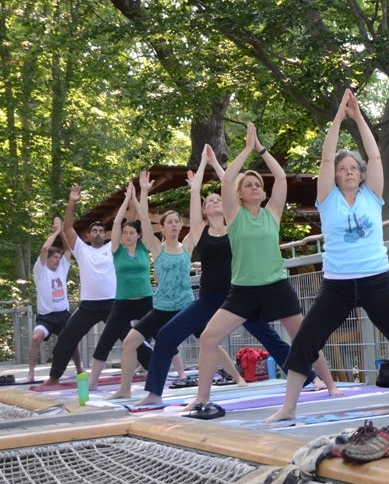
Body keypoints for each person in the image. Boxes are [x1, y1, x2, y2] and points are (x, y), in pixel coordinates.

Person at [264, 89, 389, 424]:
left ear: (362, 174)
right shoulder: (328, 199)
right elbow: (325, 158)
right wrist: (338, 117)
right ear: (335, 175)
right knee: (307, 339)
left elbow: (376, 156)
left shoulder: (372, 196)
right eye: (343, 168)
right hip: (337, 286)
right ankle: (289, 406)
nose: (349, 171)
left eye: (354, 168)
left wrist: (359, 118)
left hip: (376, 281)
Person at [183, 123, 339, 419]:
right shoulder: (234, 214)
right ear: (240, 194)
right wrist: (245, 149)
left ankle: (330, 385)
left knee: (306, 336)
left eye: (257, 184)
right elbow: (227, 180)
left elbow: (280, 176)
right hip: (242, 290)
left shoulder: (272, 214)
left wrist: (261, 149)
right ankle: (201, 397)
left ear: (263, 192)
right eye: (248, 185)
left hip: (276, 287)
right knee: (208, 338)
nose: (254, 187)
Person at [133, 145, 294, 407]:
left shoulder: (237, 221)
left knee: (269, 336)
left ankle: (307, 377)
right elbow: (196, 193)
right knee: (166, 335)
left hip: (238, 296)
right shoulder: (198, 229)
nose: (215, 202)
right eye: (210, 202)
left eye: (218, 199)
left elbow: (229, 183)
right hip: (209, 299)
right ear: (205, 211)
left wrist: (216, 164)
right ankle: (154, 391)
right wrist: (198, 175)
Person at [109, 172, 194, 399]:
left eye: (177, 221)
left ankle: (236, 376)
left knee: (211, 340)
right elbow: (144, 221)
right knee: (130, 342)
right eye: (170, 222)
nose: (174, 225)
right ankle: (125, 389)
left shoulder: (188, 245)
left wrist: (194, 190)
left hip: (186, 307)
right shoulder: (156, 247)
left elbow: (197, 221)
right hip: (162, 307)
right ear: (163, 227)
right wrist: (144, 191)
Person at [37, 187, 117, 388]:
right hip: (88, 306)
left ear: (106, 235)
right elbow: (68, 227)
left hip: (112, 305)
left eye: (101, 230)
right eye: (94, 231)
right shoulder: (82, 250)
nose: (98, 233)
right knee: (65, 339)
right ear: (88, 236)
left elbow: (127, 220)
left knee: (133, 337)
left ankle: (152, 369)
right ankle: (54, 377)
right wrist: (72, 201)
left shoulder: (113, 247)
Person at [86, 182, 155, 390]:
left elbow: (144, 219)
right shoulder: (116, 250)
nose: (127, 235)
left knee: (164, 334)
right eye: (125, 233)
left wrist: (137, 197)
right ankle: (92, 382)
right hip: (123, 303)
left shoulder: (143, 248)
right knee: (106, 339)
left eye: (131, 233)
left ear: (138, 235)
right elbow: (116, 224)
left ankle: (177, 374)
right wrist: (126, 199)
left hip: (145, 301)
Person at [25, 216, 82, 383]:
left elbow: (69, 249)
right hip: (47, 317)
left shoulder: (62, 269)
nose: (58, 260)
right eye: (55, 258)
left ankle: (79, 370)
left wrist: (63, 232)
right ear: (48, 259)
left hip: (63, 315)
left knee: (72, 342)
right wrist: (56, 232)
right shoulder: (40, 270)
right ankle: (31, 373)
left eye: (59, 257)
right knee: (36, 338)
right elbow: (44, 249)